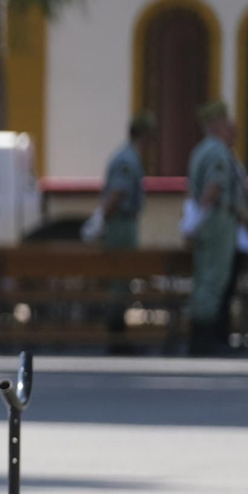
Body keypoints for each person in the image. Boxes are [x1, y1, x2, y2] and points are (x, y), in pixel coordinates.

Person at [184, 102, 248, 355]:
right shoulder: (217, 151)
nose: (228, 128)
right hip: (218, 220)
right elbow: (214, 187)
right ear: (216, 123)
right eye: (225, 122)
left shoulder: (200, 150)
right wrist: (200, 217)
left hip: (208, 220)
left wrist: (194, 221)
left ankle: (202, 337)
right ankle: (204, 339)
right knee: (214, 278)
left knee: (205, 277)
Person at [88, 113, 152, 350]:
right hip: (121, 223)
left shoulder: (129, 156)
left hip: (123, 221)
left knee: (123, 278)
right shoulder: (128, 158)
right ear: (143, 135)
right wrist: (100, 219)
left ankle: (118, 333)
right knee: (120, 277)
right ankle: (116, 335)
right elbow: (117, 193)